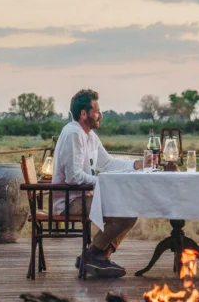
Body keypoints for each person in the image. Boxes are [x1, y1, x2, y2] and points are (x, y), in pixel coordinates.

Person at [52, 88, 142, 279]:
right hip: (69, 201)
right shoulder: (73, 134)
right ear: (84, 114)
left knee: (130, 209)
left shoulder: (90, 136)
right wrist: (104, 181)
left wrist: (135, 165)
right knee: (125, 211)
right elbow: (73, 177)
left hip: (85, 195)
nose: (100, 115)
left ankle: (96, 255)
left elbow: (107, 163)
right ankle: (94, 256)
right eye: (96, 110)